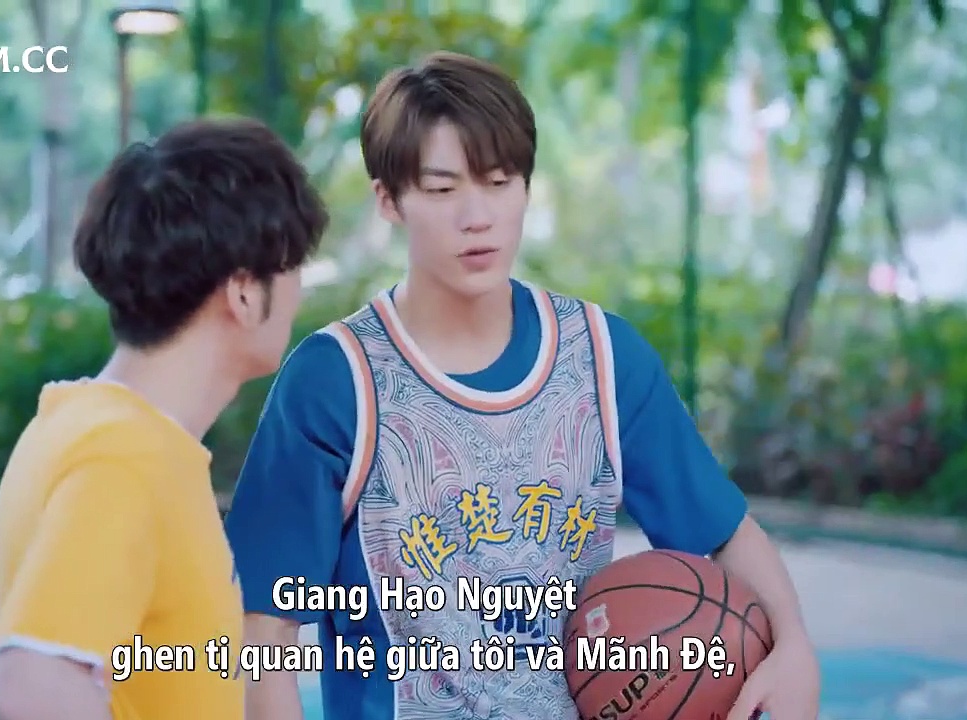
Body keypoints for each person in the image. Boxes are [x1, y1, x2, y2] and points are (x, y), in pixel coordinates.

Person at [226, 52, 820, 720]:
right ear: (388, 199)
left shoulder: (604, 358)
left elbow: (724, 534)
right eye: (442, 190)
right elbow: (264, 634)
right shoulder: (334, 382)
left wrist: (793, 645)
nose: (477, 216)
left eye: (499, 181)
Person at [0, 117, 328, 720]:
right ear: (245, 293)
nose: (298, 292)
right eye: (293, 266)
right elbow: (32, 680)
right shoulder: (127, 456)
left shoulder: (76, 424)